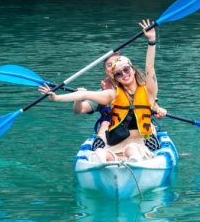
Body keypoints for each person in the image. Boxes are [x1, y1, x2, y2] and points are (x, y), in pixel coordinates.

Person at [40, 19, 167, 162]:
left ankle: (134, 164)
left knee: (132, 150)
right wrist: (56, 98)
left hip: (141, 142)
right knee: (101, 152)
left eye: (126, 69)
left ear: (132, 68)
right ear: (115, 78)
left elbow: (150, 67)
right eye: (118, 73)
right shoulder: (113, 94)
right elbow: (84, 94)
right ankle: (100, 162)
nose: (124, 74)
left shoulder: (149, 90)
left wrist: (151, 40)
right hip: (117, 143)